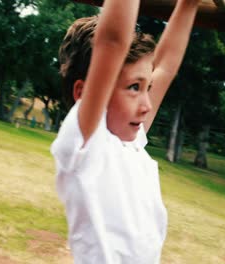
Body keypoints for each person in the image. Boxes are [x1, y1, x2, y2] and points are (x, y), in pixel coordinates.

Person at [51, 0, 201, 263]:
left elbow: (165, 66)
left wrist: (189, 4)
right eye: (134, 87)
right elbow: (112, 42)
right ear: (84, 93)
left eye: (147, 87)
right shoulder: (86, 145)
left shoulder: (131, 143)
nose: (147, 105)